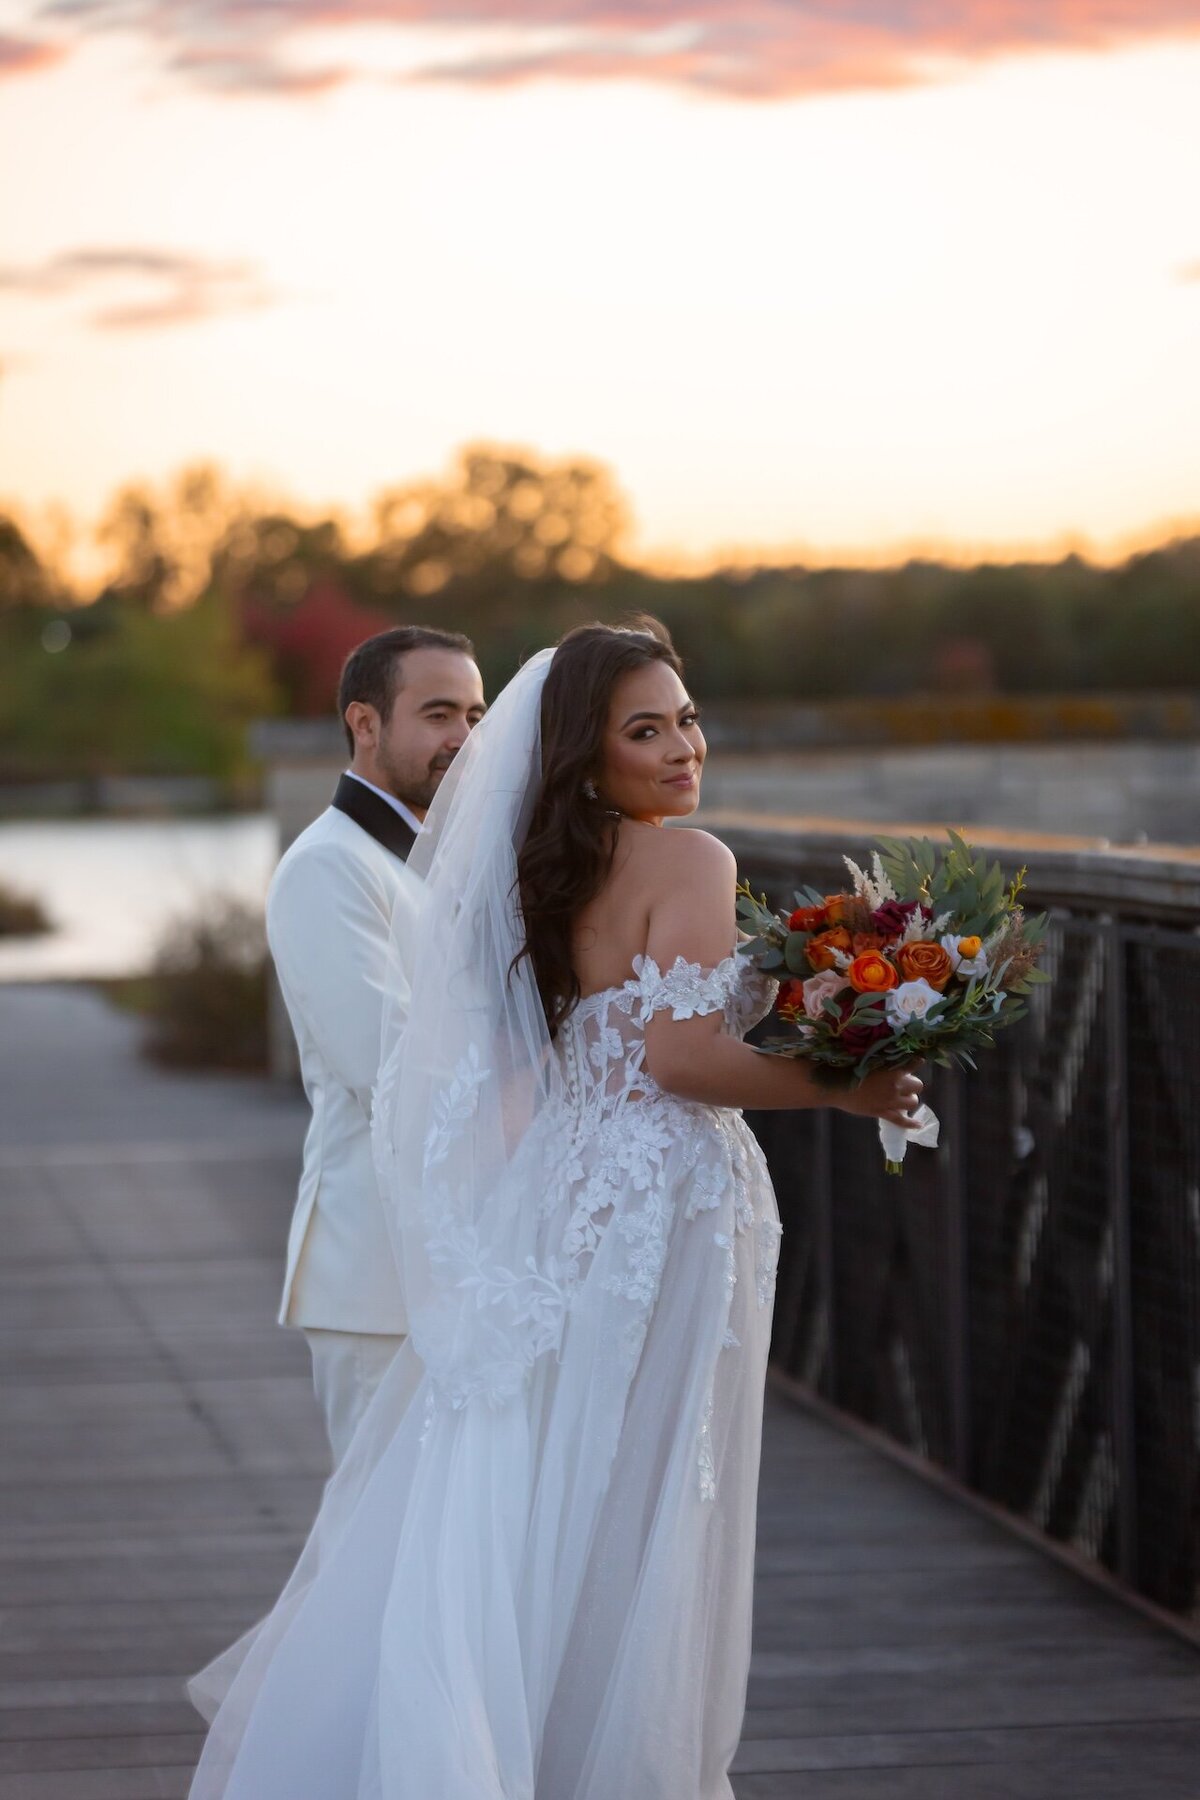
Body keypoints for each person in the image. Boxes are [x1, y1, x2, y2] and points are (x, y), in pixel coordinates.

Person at [189, 620, 921, 1798]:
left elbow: (577, 1050)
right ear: (586, 755)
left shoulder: (544, 873)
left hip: (573, 1208)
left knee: (551, 1481)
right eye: (647, 729)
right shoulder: (691, 864)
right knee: (638, 1493)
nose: (684, 746)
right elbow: (681, 1060)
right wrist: (848, 1083)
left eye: (686, 718)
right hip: (657, 1210)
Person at [265, 624, 486, 1468]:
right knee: (379, 1563)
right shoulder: (329, 867)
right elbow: (390, 1071)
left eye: (474, 714)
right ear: (364, 723)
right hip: (379, 1283)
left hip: (453, 1266)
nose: (463, 739)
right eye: (437, 714)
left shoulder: (433, 860)